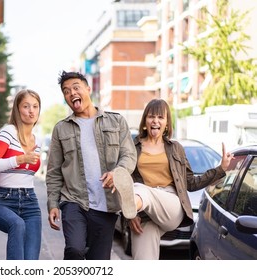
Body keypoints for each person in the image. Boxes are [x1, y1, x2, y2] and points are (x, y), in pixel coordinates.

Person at [109, 98, 233, 259]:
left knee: (140, 190)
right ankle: (132, 206)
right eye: (151, 116)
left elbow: (191, 182)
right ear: (145, 120)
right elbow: (125, 176)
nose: (155, 121)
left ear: (167, 123)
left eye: (160, 117)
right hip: (145, 213)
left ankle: (132, 203)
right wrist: (131, 216)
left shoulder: (176, 149)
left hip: (171, 204)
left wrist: (220, 169)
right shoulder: (133, 147)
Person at [46, 71, 137, 260]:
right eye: (66, 91)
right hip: (73, 200)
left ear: (88, 89)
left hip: (106, 205)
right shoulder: (61, 128)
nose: (71, 93)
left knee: (99, 261)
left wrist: (117, 173)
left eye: (76, 88)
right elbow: (54, 171)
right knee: (75, 249)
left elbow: (129, 155)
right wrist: (53, 204)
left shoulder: (116, 121)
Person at [0, 89, 42, 260]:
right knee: (17, 225)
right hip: (4, 200)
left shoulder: (37, 140)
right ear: (17, 109)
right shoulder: (8, 132)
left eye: (35, 106)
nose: (31, 110)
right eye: (26, 106)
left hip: (30, 201)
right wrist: (18, 159)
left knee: (31, 260)